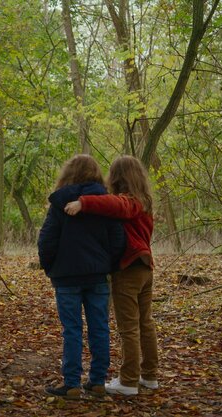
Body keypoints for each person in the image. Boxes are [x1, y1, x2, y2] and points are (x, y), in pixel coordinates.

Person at [64, 155, 159, 396]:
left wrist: (83, 203)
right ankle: (149, 376)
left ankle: (128, 381)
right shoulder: (144, 201)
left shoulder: (130, 202)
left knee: (129, 327)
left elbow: (117, 205)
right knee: (145, 323)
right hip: (145, 267)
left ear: (117, 177)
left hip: (130, 269)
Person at [38, 155, 125, 400]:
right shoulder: (106, 203)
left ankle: (72, 383)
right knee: (99, 327)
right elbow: (118, 239)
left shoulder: (60, 203)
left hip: (66, 278)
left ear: (68, 173)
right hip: (97, 276)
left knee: (72, 330)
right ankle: (97, 381)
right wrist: (109, 265)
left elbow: (46, 240)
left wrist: (51, 268)